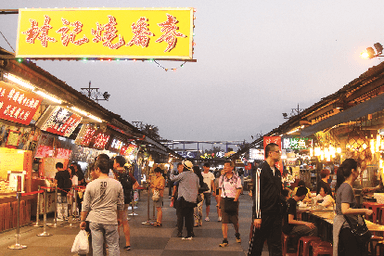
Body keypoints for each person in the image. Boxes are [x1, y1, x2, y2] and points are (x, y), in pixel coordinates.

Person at [80, 157, 124, 256]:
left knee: (97, 247)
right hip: (110, 218)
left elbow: (86, 205)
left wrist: (83, 220)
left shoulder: (91, 185)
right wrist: (119, 217)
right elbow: (120, 204)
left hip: (95, 219)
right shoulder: (117, 184)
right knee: (113, 246)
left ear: (98, 169)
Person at [248, 143, 283, 256]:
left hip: (276, 213)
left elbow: (278, 192)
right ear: (270, 153)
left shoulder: (277, 172)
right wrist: (257, 216)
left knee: (276, 244)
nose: (279, 154)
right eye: (277, 151)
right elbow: (257, 193)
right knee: (257, 244)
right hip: (264, 214)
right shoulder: (260, 170)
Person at [333, 159, 373, 256]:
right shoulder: (347, 187)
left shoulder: (343, 186)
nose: (359, 171)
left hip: (342, 227)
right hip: (347, 227)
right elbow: (345, 210)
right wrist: (365, 211)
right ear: (353, 171)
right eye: (358, 168)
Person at [113, 155, 141, 250]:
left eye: (114, 162)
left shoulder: (115, 174)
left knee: (116, 221)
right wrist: (129, 191)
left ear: (117, 164)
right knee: (125, 221)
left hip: (117, 201)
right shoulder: (128, 173)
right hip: (126, 200)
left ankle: (115, 242)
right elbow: (136, 184)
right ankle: (128, 243)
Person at [170, 160, 199, 240]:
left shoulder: (182, 175)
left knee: (180, 216)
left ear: (185, 167)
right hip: (192, 200)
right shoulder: (195, 176)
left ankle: (180, 232)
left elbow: (172, 178)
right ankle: (190, 232)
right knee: (189, 217)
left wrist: (172, 170)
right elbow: (198, 186)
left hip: (183, 199)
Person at [218, 160, 242, 247]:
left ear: (232, 168)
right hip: (224, 200)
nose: (225, 168)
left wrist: (235, 199)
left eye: (227, 166)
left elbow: (239, 189)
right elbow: (220, 188)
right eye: (224, 166)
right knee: (224, 221)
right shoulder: (222, 177)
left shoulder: (236, 178)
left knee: (235, 221)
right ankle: (225, 240)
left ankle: (237, 233)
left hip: (233, 200)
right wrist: (219, 201)